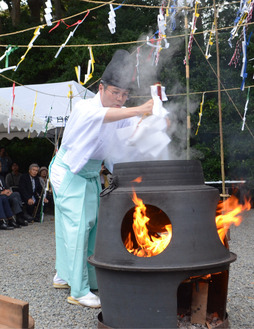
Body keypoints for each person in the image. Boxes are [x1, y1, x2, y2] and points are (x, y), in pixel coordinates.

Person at [49, 49, 154, 308]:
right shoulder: (86, 107)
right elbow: (110, 117)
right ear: (101, 88)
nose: (120, 99)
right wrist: (139, 109)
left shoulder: (118, 111)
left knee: (87, 227)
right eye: (115, 93)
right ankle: (78, 290)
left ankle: (66, 276)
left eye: (125, 94)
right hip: (70, 172)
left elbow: (130, 132)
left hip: (89, 175)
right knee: (77, 230)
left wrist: (155, 120)